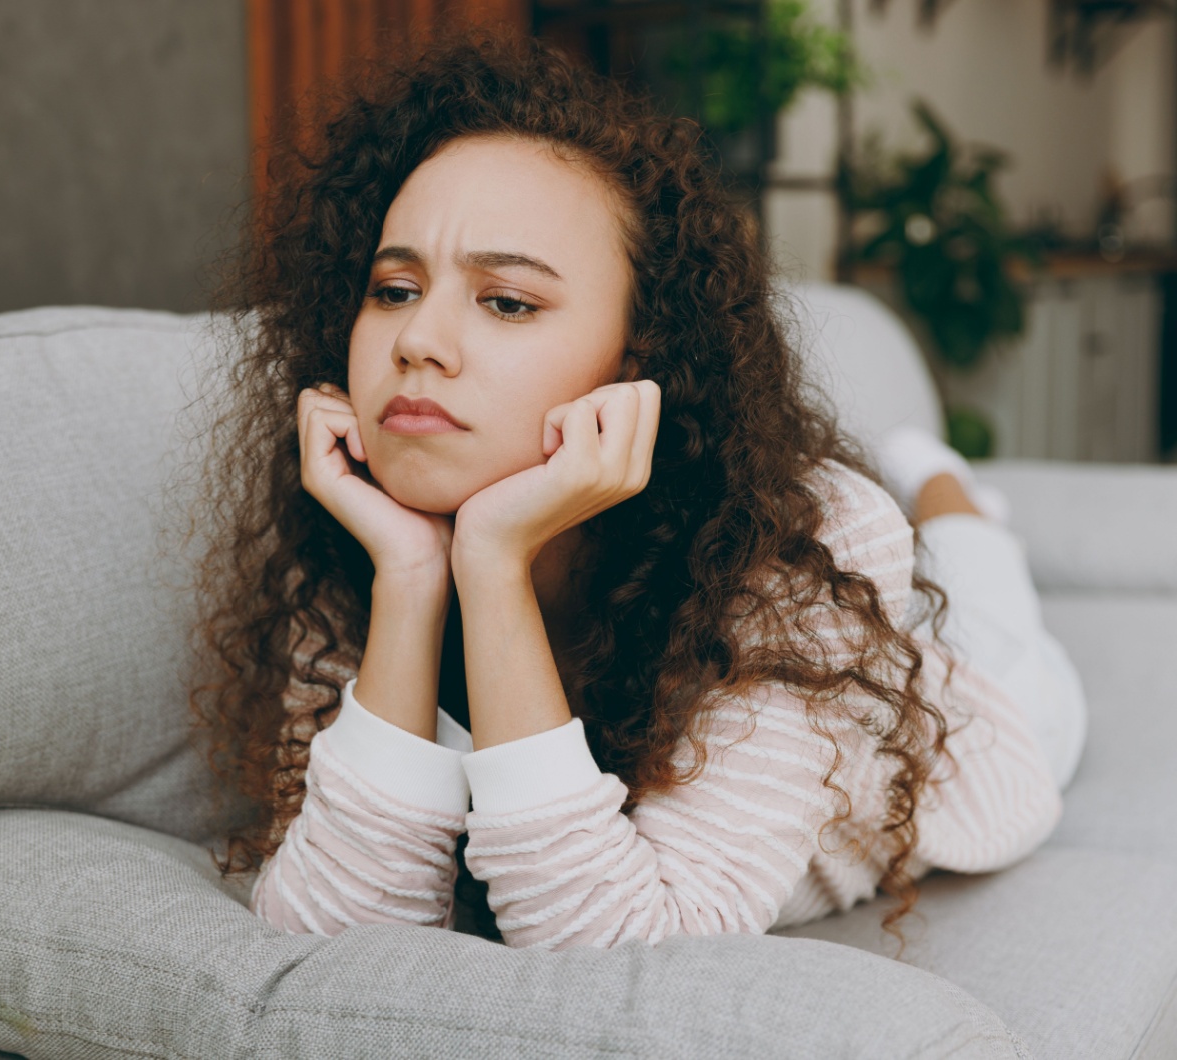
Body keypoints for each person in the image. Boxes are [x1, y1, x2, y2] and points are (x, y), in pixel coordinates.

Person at [182, 31, 1084, 957]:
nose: (419, 340)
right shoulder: (358, 534)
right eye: (395, 287)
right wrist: (412, 577)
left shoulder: (805, 543)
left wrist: (490, 562)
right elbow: (331, 936)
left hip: (975, 734)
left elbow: (626, 953)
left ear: (640, 360)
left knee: (983, 602)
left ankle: (941, 482)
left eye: (507, 302)